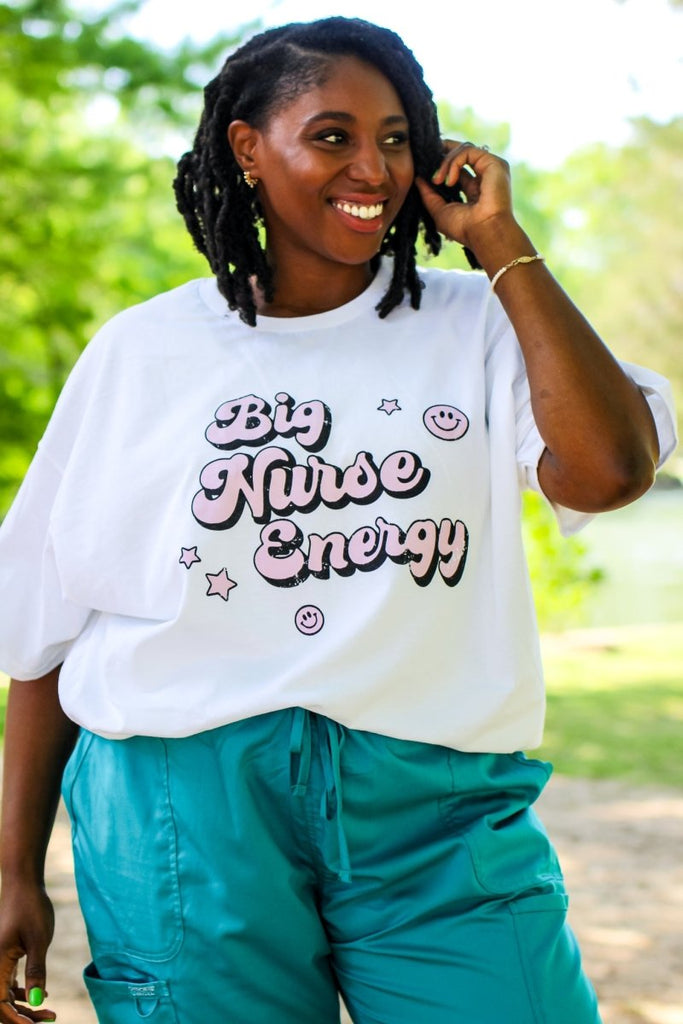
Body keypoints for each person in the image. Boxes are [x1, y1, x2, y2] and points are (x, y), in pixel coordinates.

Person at [0, 16, 676, 1024]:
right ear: (245, 148)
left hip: (434, 810)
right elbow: (52, 623)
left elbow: (608, 470)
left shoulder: (480, 322)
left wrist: (498, 239)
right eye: (331, 136)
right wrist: (13, 870)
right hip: (187, 804)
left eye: (397, 137)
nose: (374, 166)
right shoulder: (143, 352)